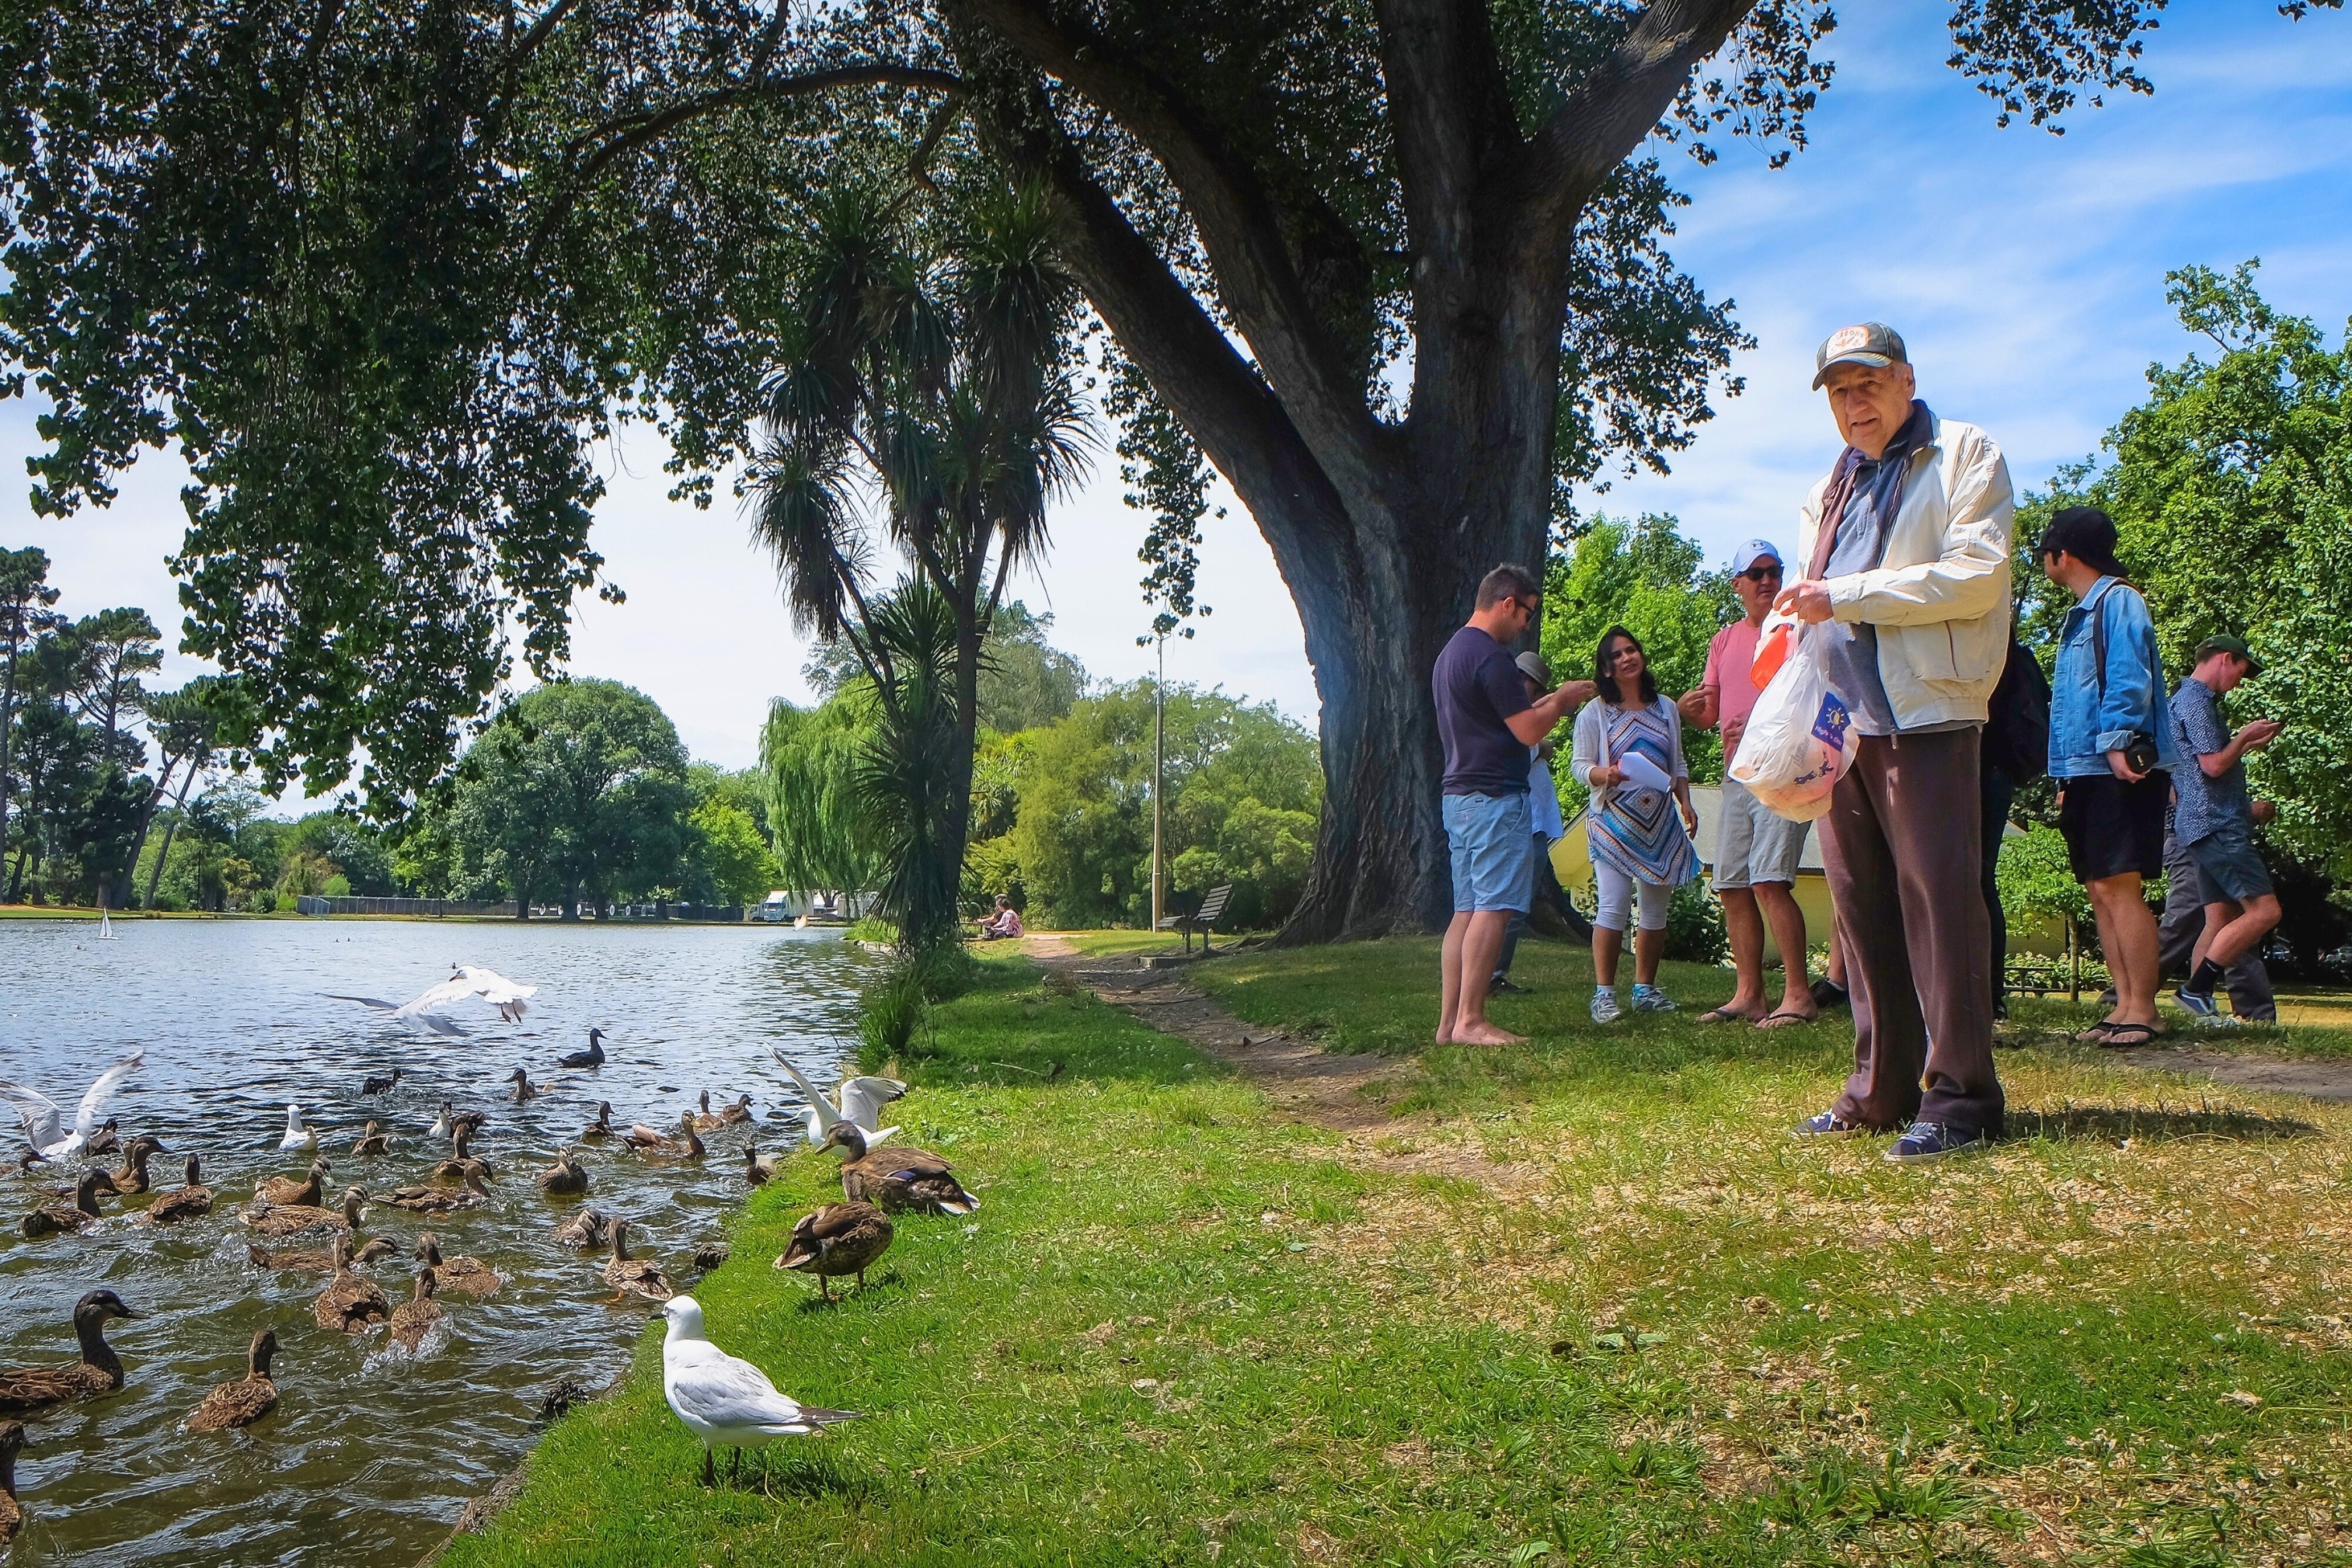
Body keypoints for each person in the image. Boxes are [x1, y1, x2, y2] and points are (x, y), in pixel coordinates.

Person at [1777, 322, 2012, 1163]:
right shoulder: (1828, 485)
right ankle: (1877, 1091)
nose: (1854, 403)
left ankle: (1962, 1100)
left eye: (1868, 383)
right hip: (1841, 725)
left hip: (1929, 713)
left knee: (1940, 906)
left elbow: (1976, 574)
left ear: (1907, 378)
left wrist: (1846, 594)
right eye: (1839, 391)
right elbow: (1814, 605)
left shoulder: (1963, 452)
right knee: (1860, 909)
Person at [1434, 564, 1594, 1045]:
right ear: (1506, 603)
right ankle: (1472, 1021)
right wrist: (1561, 701)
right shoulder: (1490, 657)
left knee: (1465, 911)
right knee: (1495, 907)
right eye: (1526, 612)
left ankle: (1448, 1024)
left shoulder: (1450, 653)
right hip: (1494, 797)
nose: (1527, 623)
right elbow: (1526, 729)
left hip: (1458, 798)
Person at [2038, 507, 2178, 1047]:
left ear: (2062, 554)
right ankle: (2121, 1005)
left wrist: (2119, 742)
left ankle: (2143, 1008)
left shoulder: (2118, 601)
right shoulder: (2080, 613)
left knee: (2121, 886)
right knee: (2098, 887)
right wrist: (2065, 774)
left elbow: (2127, 676)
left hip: (2116, 766)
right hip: (2084, 770)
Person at [1679, 540, 1816, 1028]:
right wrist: (1684, 712)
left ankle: (1798, 996)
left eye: (1774, 571)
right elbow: (1710, 711)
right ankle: (1749, 995)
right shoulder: (1724, 641)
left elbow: (1813, 697)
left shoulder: (1800, 629)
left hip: (1784, 772)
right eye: (1755, 573)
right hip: (1736, 776)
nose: (1766, 581)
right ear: (1737, 584)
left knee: (1769, 880)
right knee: (1733, 884)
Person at [1572, 626, 1699, 1023]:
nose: (1628, 658)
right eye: (1617, 655)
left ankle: (1645, 989)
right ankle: (1604, 994)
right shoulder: (1595, 713)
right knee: (1612, 908)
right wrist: (1601, 774)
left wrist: (1686, 802)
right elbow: (1579, 766)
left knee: (1654, 912)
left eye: (1632, 650)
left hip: (1659, 822)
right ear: (1607, 669)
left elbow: (1676, 763)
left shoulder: (1665, 708)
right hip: (1613, 822)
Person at [2168, 634, 2284, 1022]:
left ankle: (2200, 1013)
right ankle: (2196, 990)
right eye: (2241, 671)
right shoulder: (2196, 702)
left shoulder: (2182, 702)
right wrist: (2244, 738)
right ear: (2225, 659)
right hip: (2217, 825)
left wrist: (2245, 745)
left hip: (2202, 825)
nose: (2240, 681)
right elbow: (2213, 766)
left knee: (2219, 920)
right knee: (2266, 912)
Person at [1492, 652, 1583, 994]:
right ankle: (1489, 975)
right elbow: (1511, 753)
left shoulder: (1524, 712)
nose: (1528, 689)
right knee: (1508, 903)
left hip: (1535, 819)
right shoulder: (1506, 711)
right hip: (1518, 820)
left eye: (1533, 684)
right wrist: (1539, 747)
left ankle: (1490, 973)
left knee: (1517, 902)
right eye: (1526, 680)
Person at [1980, 625, 2050, 1020]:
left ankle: (1986, 993)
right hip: (1997, 774)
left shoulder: (1990, 650)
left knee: (1973, 879)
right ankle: (1989, 994)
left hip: (1979, 769)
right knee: (1981, 878)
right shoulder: (2012, 650)